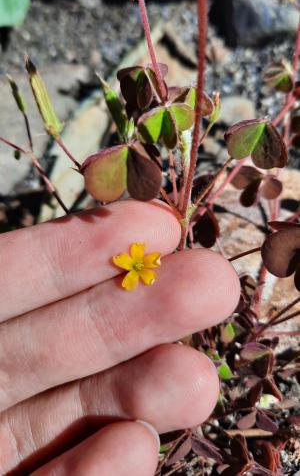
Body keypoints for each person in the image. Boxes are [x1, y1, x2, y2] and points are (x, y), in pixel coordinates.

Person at [0, 199, 240, 475]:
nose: (138, 266)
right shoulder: (136, 267)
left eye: (139, 265)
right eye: (137, 265)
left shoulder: (144, 269)